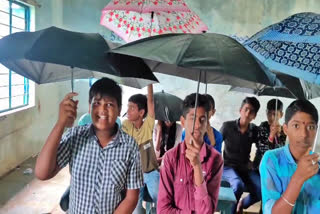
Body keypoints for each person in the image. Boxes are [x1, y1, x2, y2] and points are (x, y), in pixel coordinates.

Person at [35, 78, 143, 214]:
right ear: (89, 106)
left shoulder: (130, 147)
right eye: (97, 103)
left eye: (109, 104)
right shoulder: (75, 136)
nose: (103, 110)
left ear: (119, 109)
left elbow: (131, 198)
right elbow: (42, 173)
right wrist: (61, 123)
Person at [157, 93, 223, 213]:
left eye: (202, 119)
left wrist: (197, 167)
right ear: (183, 121)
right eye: (193, 118)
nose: (197, 125)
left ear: (207, 124)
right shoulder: (170, 158)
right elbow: (163, 209)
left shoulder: (215, 159)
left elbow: (207, 211)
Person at [260, 99, 320, 214]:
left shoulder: (317, 165)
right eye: (296, 125)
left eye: (311, 127)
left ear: (316, 130)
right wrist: (298, 178)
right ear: (286, 129)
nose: (304, 134)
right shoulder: (272, 160)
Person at [121, 84, 159, 214]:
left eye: (132, 108)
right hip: (134, 176)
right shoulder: (126, 125)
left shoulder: (148, 125)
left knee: (159, 197)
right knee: (136, 210)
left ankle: (154, 210)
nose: (128, 111)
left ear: (141, 112)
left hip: (150, 172)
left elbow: (150, 102)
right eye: (128, 107)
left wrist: (149, 83)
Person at [220, 97, 261, 213]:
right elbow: (216, 144)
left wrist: (254, 163)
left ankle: (242, 204)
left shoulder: (254, 130)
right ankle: (231, 212)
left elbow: (261, 148)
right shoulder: (227, 126)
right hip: (228, 167)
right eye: (246, 109)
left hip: (245, 168)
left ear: (254, 116)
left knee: (261, 189)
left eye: (251, 111)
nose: (248, 113)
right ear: (240, 110)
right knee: (238, 185)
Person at [253, 99, 286, 170]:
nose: (271, 117)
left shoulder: (285, 131)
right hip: (261, 168)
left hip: (277, 169)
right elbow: (264, 151)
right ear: (266, 112)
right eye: (269, 113)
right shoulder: (262, 127)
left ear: (281, 115)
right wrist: (271, 136)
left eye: (275, 114)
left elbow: (283, 153)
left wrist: (279, 136)